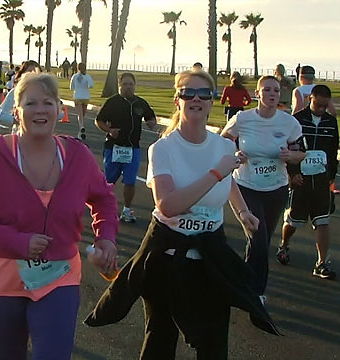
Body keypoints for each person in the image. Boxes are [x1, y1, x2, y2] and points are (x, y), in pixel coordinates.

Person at [84, 70, 279, 359]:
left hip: (210, 253)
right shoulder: (163, 149)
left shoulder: (224, 147)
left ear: (213, 101)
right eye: (188, 92)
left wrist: (242, 211)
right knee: (160, 338)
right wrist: (216, 173)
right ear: (178, 100)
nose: (196, 98)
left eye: (204, 94)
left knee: (213, 341)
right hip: (166, 254)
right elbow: (168, 205)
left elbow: (229, 180)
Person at [0, 73, 119, 359]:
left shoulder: (78, 156)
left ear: (59, 108)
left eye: (48, 102)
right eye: (31, 103)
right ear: (17, 111)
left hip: (59, 277)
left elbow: (104, 198)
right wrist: (17, 241)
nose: (41, 110)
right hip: (0, 280)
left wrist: (106, 237)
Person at [221, 75, 305, 303]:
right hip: (246, 187)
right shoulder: (243, 119)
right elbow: (224, 141)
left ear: (280, 95)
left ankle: (243, 281)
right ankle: (256, 293)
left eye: (276, 91)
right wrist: (236, 153)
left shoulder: (289, 123)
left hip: (276, 188)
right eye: (266, 89)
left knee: (261, 241)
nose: (271, 94)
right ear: (258, 94)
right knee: (258, 238)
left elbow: (301, 152)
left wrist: (291, 155)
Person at [277, 85, 339, 279]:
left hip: (321, 180)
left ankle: (321, 263)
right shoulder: (297, 120)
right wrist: (292, 174)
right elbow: (288, 147)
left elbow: (333, 150)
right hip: (301, 179)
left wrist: (331, 176)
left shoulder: (331, 122)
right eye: (318, 104)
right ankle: (284, 245)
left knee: (323, 221)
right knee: (294, 220)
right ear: (310, 99)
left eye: (324, 105)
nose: (321, 109)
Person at [95, 72, 158, 223]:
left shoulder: (140, 103)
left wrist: (152, 123)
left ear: (135, 85)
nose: (128, 87)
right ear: (119, 86)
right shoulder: (112, 102)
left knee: (130, 181)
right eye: (125, 84)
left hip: (132, 149)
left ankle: (127, 210)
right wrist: (110, 131)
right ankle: (103, 208)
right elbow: (99, 120)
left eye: (131, 84)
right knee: (109, 181)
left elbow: (151, 117)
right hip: (114, 148)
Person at [0, 60, 41, 133]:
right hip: (19, 134)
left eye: (36, 71)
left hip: (40, 135)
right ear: (22, 74)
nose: (33, 74)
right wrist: (16, 120)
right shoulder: (15, 92)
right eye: (29, 71)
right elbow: (3, 114)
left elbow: (59, 114)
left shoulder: (45, 93)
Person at [70, 63, 94, 140]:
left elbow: (71, 87)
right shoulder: (87, 76)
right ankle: (80, 131)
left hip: (77, 96)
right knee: (82, 114)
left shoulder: (74, 76)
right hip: (86, 96)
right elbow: (91, 85)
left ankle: (81, 127)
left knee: (80, 114)